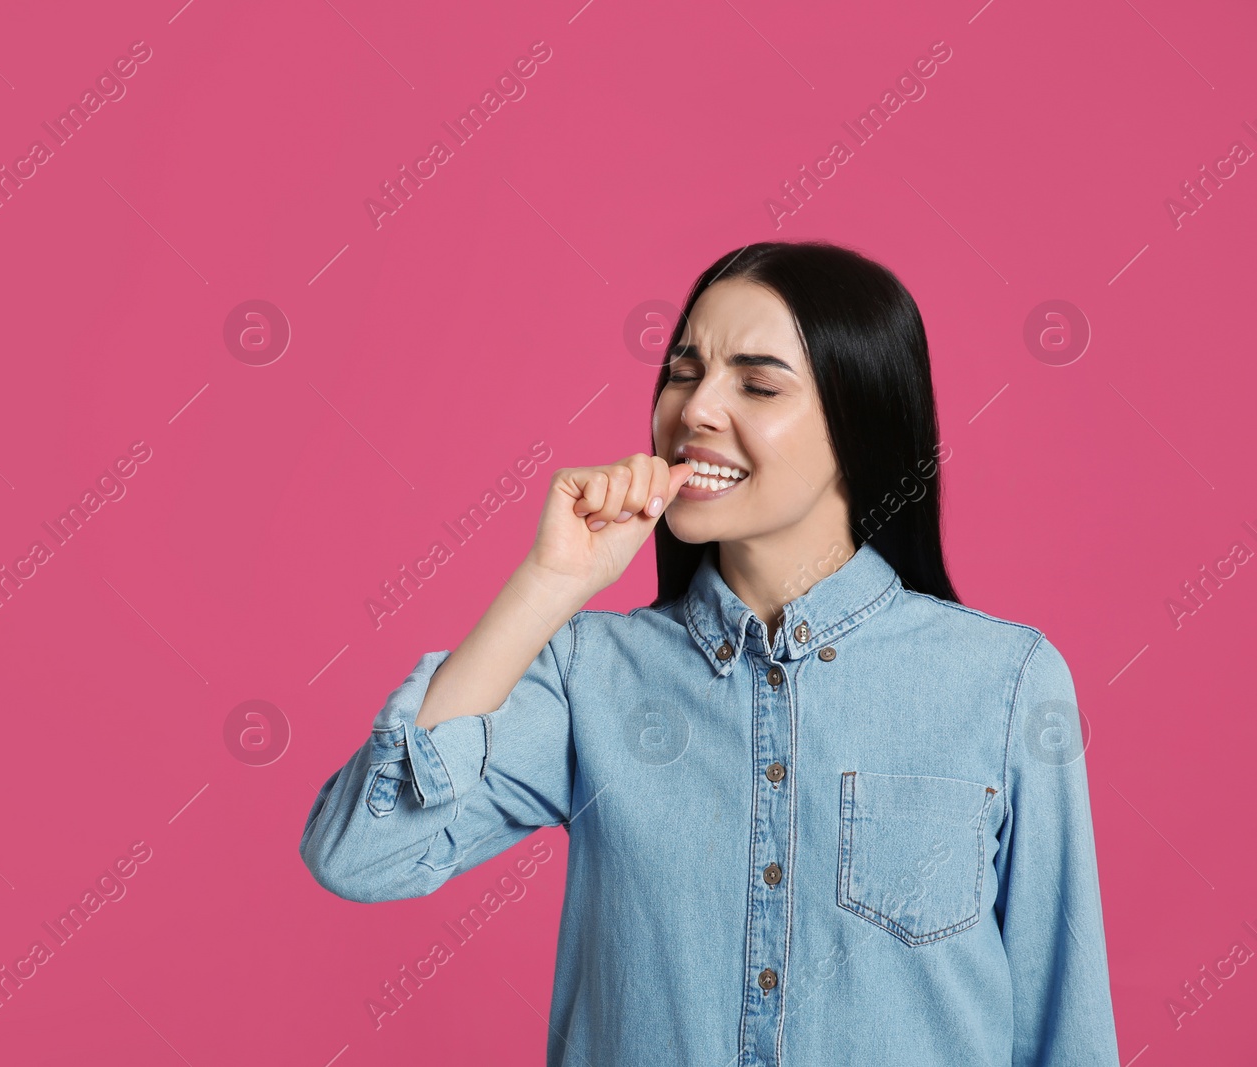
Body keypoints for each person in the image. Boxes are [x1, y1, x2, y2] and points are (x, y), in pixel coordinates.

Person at [298, 240, 1120, 1066]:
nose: (694, 411)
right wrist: (547, 584)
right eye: (684, 372)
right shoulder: (592, 674)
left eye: (757, 384)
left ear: (860, 423)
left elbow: (1064, 1028)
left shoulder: (1004, 683)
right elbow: (364, 854)